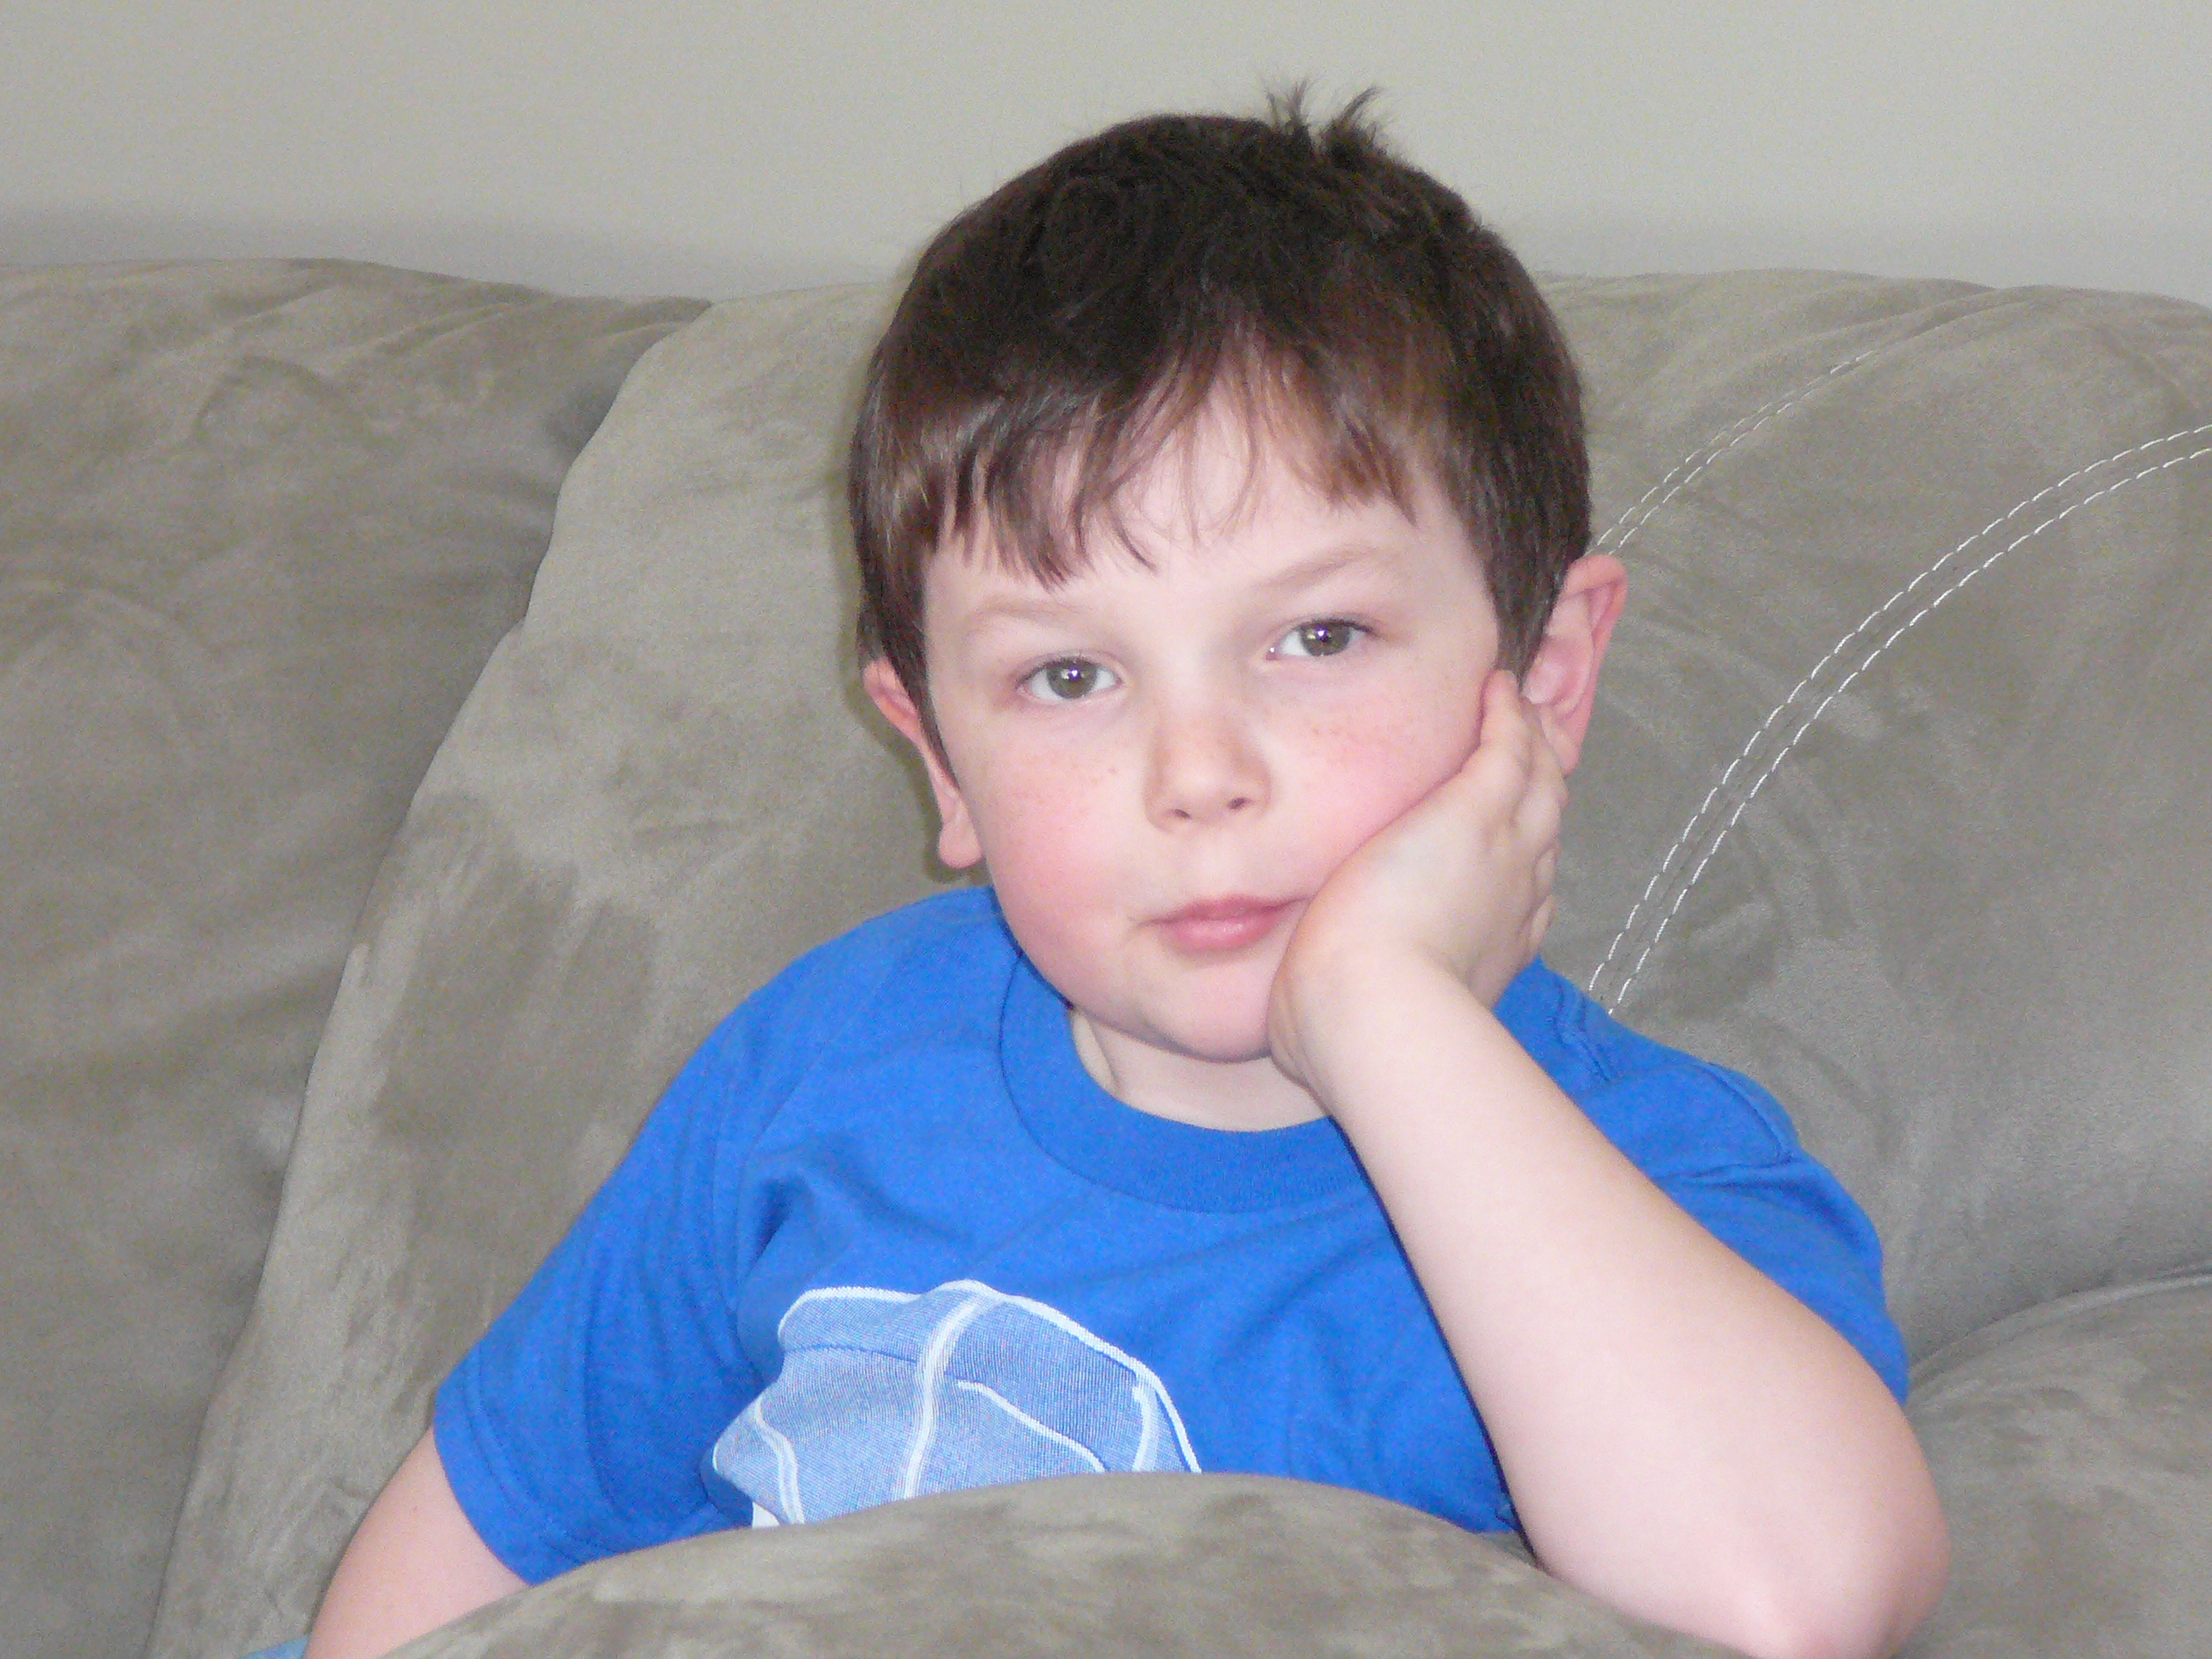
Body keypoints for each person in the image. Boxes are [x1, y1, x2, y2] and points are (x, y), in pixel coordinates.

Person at [302, 98, 1948, 1659]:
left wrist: (1385, 1010)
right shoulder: (822, 1068)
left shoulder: (1640, 1179)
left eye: (1318, 637)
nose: (1197, 771)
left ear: (1549, 678)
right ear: (941, 762)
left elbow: (1787, 1602)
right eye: (1070, 676)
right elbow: (469, 1554)